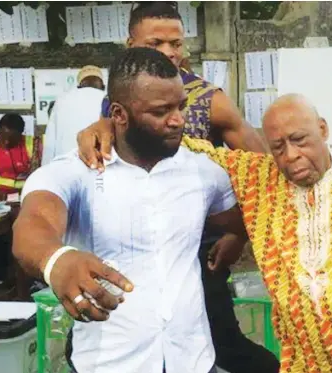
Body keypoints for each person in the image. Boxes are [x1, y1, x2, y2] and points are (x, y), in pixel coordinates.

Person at [13, 47, 249, 373]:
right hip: (109, 362)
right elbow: (33, 224)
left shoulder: (203, 171)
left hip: (192, 358)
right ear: (119, 115)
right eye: (161, 110)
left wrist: (237, 236)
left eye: (180, 106)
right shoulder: (76, 171)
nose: (178, 119)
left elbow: (245, 217)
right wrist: (57, 260)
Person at [76, 3, 279, 373]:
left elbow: (266, 174)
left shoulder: (208, 99)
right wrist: (98, 126)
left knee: (226, 349)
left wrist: (239, 234)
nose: (170, 52)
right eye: (157, 43)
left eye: (177, 43)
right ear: (130, 43)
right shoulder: (113, 100)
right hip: (130, 259)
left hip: (196, 256)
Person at [181, 94, 332, 373]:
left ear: (322, 129)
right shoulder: (262, 178)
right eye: (278, 147)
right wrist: (106, 128)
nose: (291, 155)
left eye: (299, 140)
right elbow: (193, 148)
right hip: (302, 363)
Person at [42, 65, 105, 165]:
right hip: (101, 166)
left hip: (66, 166)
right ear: (103, 87)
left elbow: (50, 143)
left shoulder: (62, 101)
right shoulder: (109, 100)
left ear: (79, 86)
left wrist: (45, 171)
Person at [0, 113, 42, 201]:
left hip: (26, 197)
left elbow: (40, 179)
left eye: (12, 139)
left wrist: (11, 197)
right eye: (3, 137)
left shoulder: (34, 145)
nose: (6, 142)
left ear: (21, 133)